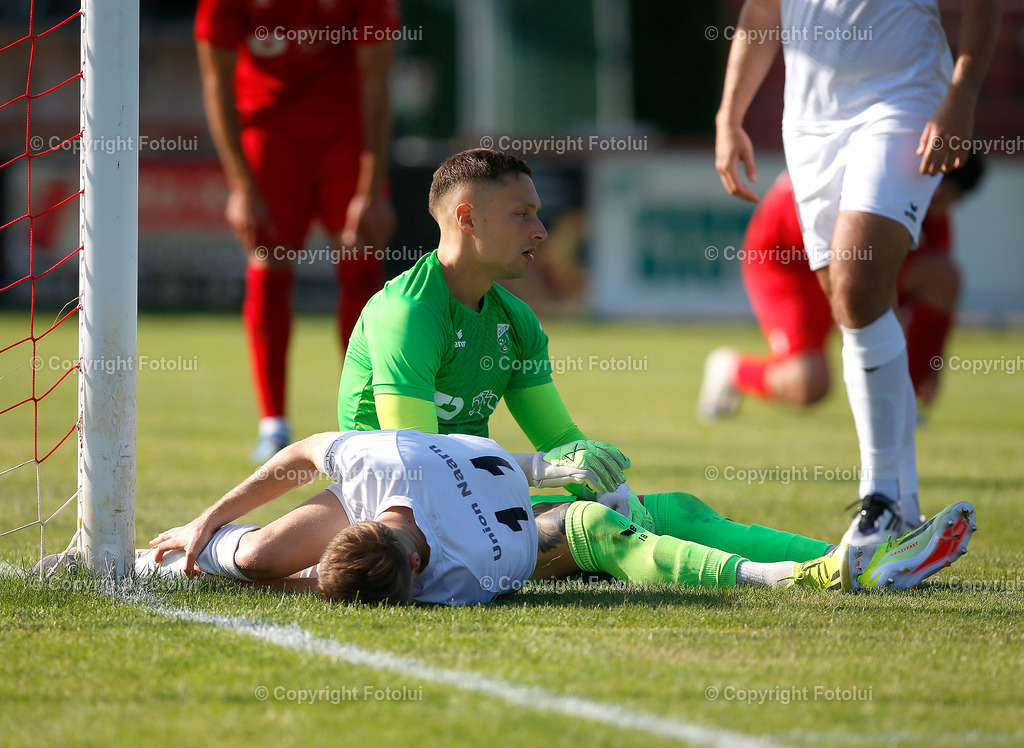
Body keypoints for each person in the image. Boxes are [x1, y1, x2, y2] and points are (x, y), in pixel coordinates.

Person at [714, 0, 999, 545]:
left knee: (857, 283)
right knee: (856, 307)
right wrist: (730, 116)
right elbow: (760, 13)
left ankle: (883, 499)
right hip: (810, 122)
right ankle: (907, 508)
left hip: (904, 99)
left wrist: (961, 95)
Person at [142, 429, 976, 605]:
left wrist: (206, 529)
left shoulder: (467, 572)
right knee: (632, 520)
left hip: (520, 504)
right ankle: (828, 564)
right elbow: (304, 452)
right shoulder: (382, 462)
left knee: (251, 564)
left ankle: (832, 563)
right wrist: (552, 473)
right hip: (511, 485)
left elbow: (299, 465)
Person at [336, 148, 632, 509]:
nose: (540, 232)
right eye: (521, 215)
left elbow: (560, 440)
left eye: (536, 215)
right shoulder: (407, 312)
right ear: (468, 219)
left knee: (667, 510)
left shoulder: (518, 321)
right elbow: (418, 462)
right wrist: (537, 469)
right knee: (597, 527)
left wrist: (611, 492)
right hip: (392, 513)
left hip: (473, 504)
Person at [195, 0, 401, 462]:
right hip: (269, 134)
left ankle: (364, 420)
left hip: (346, 135)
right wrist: (240, 185)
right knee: (268, 265)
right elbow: (216, 82)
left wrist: (370, 187)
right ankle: (273, 425)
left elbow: (377, 80)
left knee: (360, 264)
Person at [698, 157, 985, 420]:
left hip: (856, 264)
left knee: (942, 277)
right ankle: (731, 370)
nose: (935, 204)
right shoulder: (869, 171)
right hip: (790, 265)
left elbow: (935, 277)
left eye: (946, 200)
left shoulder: (929, 204)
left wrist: (930, 359)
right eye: (937, 194)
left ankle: (900, 403)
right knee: (807, 383)